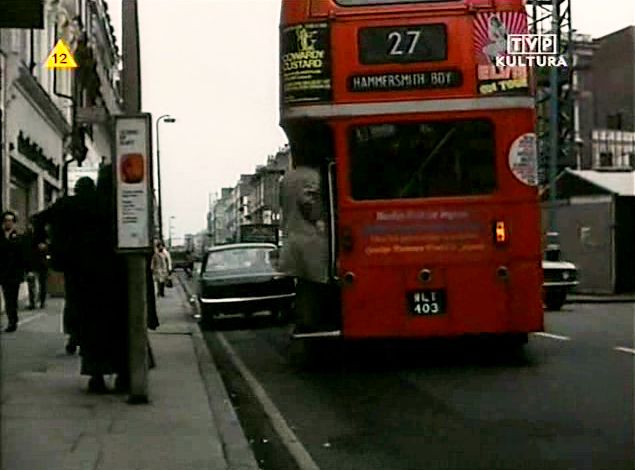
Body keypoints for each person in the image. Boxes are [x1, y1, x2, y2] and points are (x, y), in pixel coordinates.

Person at [0, 210, 26, 332]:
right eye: (6, 221)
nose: (8, 223)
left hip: (13, 273)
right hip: (2, 272)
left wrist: (25, 272)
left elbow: (22, 257)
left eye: (10, 221)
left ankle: (12, 321)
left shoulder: (18, 237)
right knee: (6, 297)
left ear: (14, 223)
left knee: (11, 299)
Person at [24, 222, 49, 310]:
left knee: (42, 283)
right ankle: (32, 302)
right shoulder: (27, 235)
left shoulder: (43, 234)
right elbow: (26, 248)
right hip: (31, 263)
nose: (30, 226)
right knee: (31, 283)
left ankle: (42, 301)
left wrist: (45, 247)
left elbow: (49, 246)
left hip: (42, 263)